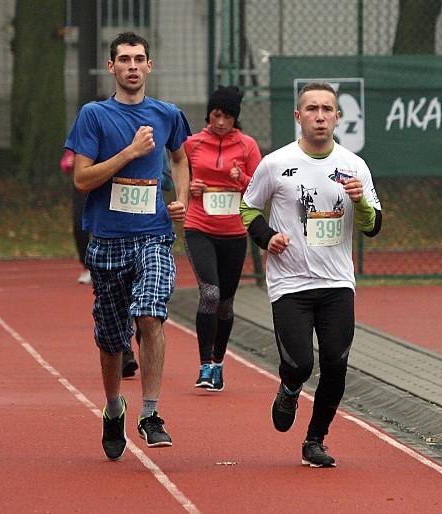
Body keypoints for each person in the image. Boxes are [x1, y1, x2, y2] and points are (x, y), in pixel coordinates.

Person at [239, 81, 382, 467]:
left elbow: (373, 225)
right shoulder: (275, 164)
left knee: (335, 364)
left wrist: (360, 202)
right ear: (298, 116)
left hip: (336, 283)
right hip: (291, 284)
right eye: (312, 109)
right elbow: (248, 209)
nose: (319, 116)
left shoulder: (355, 166)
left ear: (338, 116)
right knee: (301, 363)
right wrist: (268, 238)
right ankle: (289, 387)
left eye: (327, 110)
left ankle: (315, 439)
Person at [64, 31, 191, 460]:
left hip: (154, 234)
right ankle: (115, 406)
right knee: (111, 338)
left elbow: (179, 156)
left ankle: (150, 413)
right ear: (111, 67)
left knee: (151, 312)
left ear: (149, 66)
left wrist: (182, 198)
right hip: (107, 240)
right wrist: (128, 153)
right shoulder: (94, 115)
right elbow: (82, 179)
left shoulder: (168, 114)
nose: (132, 66)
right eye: (124, 59)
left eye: (139, 58)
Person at [183, 85, 262, 392]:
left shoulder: (247, 146)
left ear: (235, 119)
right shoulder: (193, 144)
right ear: (209, 114)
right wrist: (191, 187)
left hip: (233, 232)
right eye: (216, 115)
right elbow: (176, 176)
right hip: (199, 226)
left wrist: (239, 179)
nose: (221, 122)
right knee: (210, 294)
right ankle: (204, 366)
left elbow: (259, 188)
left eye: (227, 117)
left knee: (226, 304)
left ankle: (218, 364)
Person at [63, 148, 141, 378]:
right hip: (111, 227)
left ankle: (144, 336)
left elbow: (167, 171)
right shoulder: (88, 130)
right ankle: (125, 351)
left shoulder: (146, 136)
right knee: (118, 292)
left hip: (144, 228)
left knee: (144, 299)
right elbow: (71, 167)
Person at [60, 149, 92, 285]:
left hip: (102, 186)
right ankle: (87, 266)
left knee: (102, 227)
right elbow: (65, 163)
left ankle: (103, 266)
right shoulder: (79, 138)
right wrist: (68, 163)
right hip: (82, 188)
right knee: (79, 226)